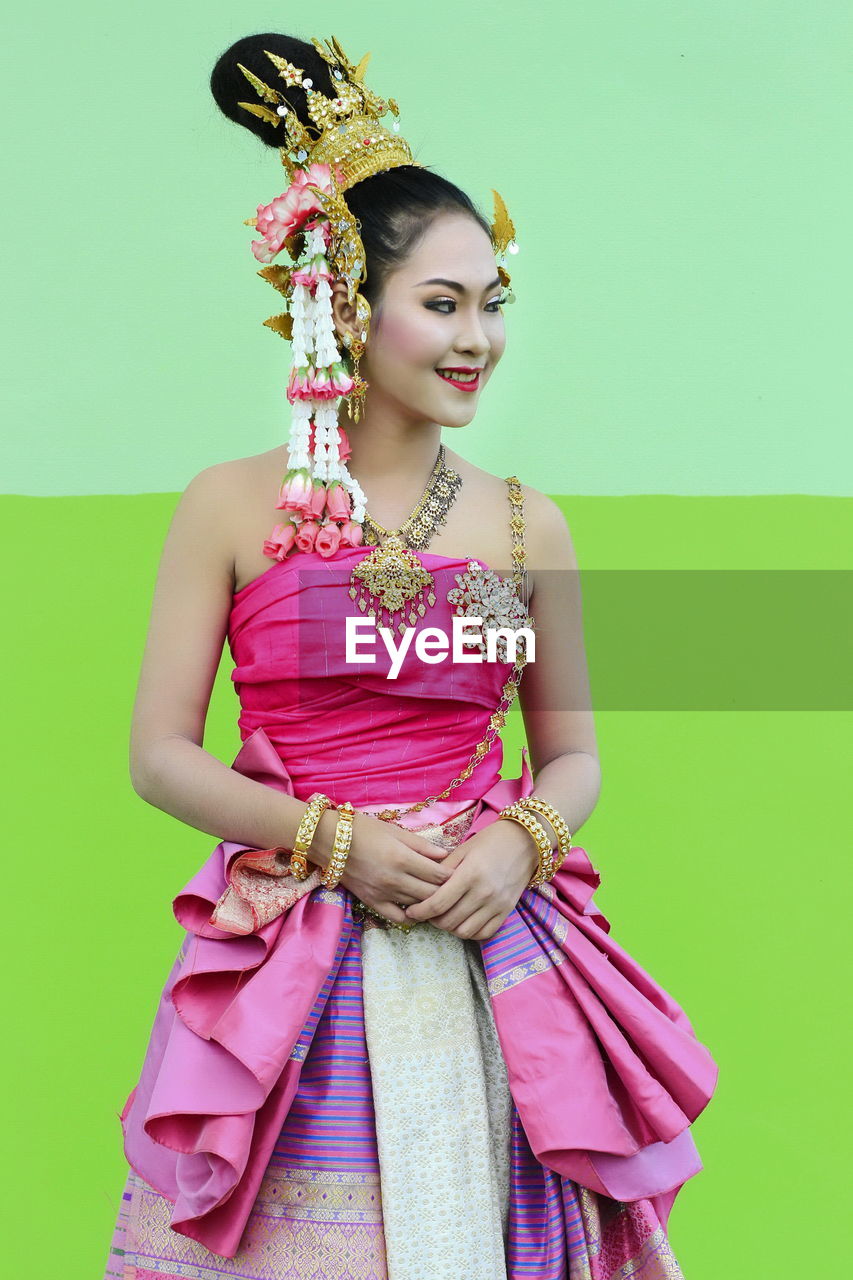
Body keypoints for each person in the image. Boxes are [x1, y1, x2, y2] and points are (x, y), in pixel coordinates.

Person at [101, 31, 718, 1280]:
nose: (477, 337)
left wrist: (514, 842)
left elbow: (572, 753)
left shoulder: (518, 521)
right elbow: (160, 755)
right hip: (295, 959)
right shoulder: (230, 507)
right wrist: (335, 841)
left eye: (493, 303)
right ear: (342, 301)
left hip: (496, 942)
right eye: (442, 303)